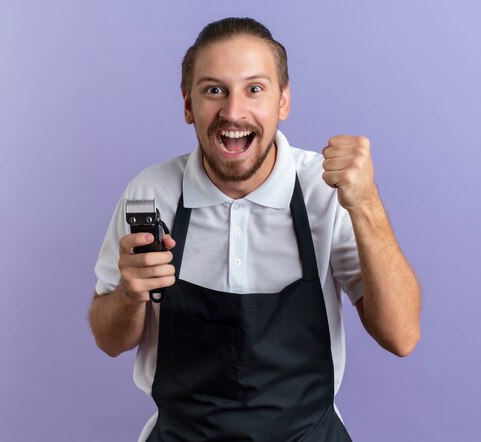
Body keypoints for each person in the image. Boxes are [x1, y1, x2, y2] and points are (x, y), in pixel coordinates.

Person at [89, 17, 421, 442]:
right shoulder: (152, 193)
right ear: (188, 105)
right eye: (214, 90)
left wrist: (367, 204)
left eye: (254, 89)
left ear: (283, 101)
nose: (233, 111)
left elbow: (402, 336)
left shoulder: (326, 190)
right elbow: (108, 339)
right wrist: (130, 295)